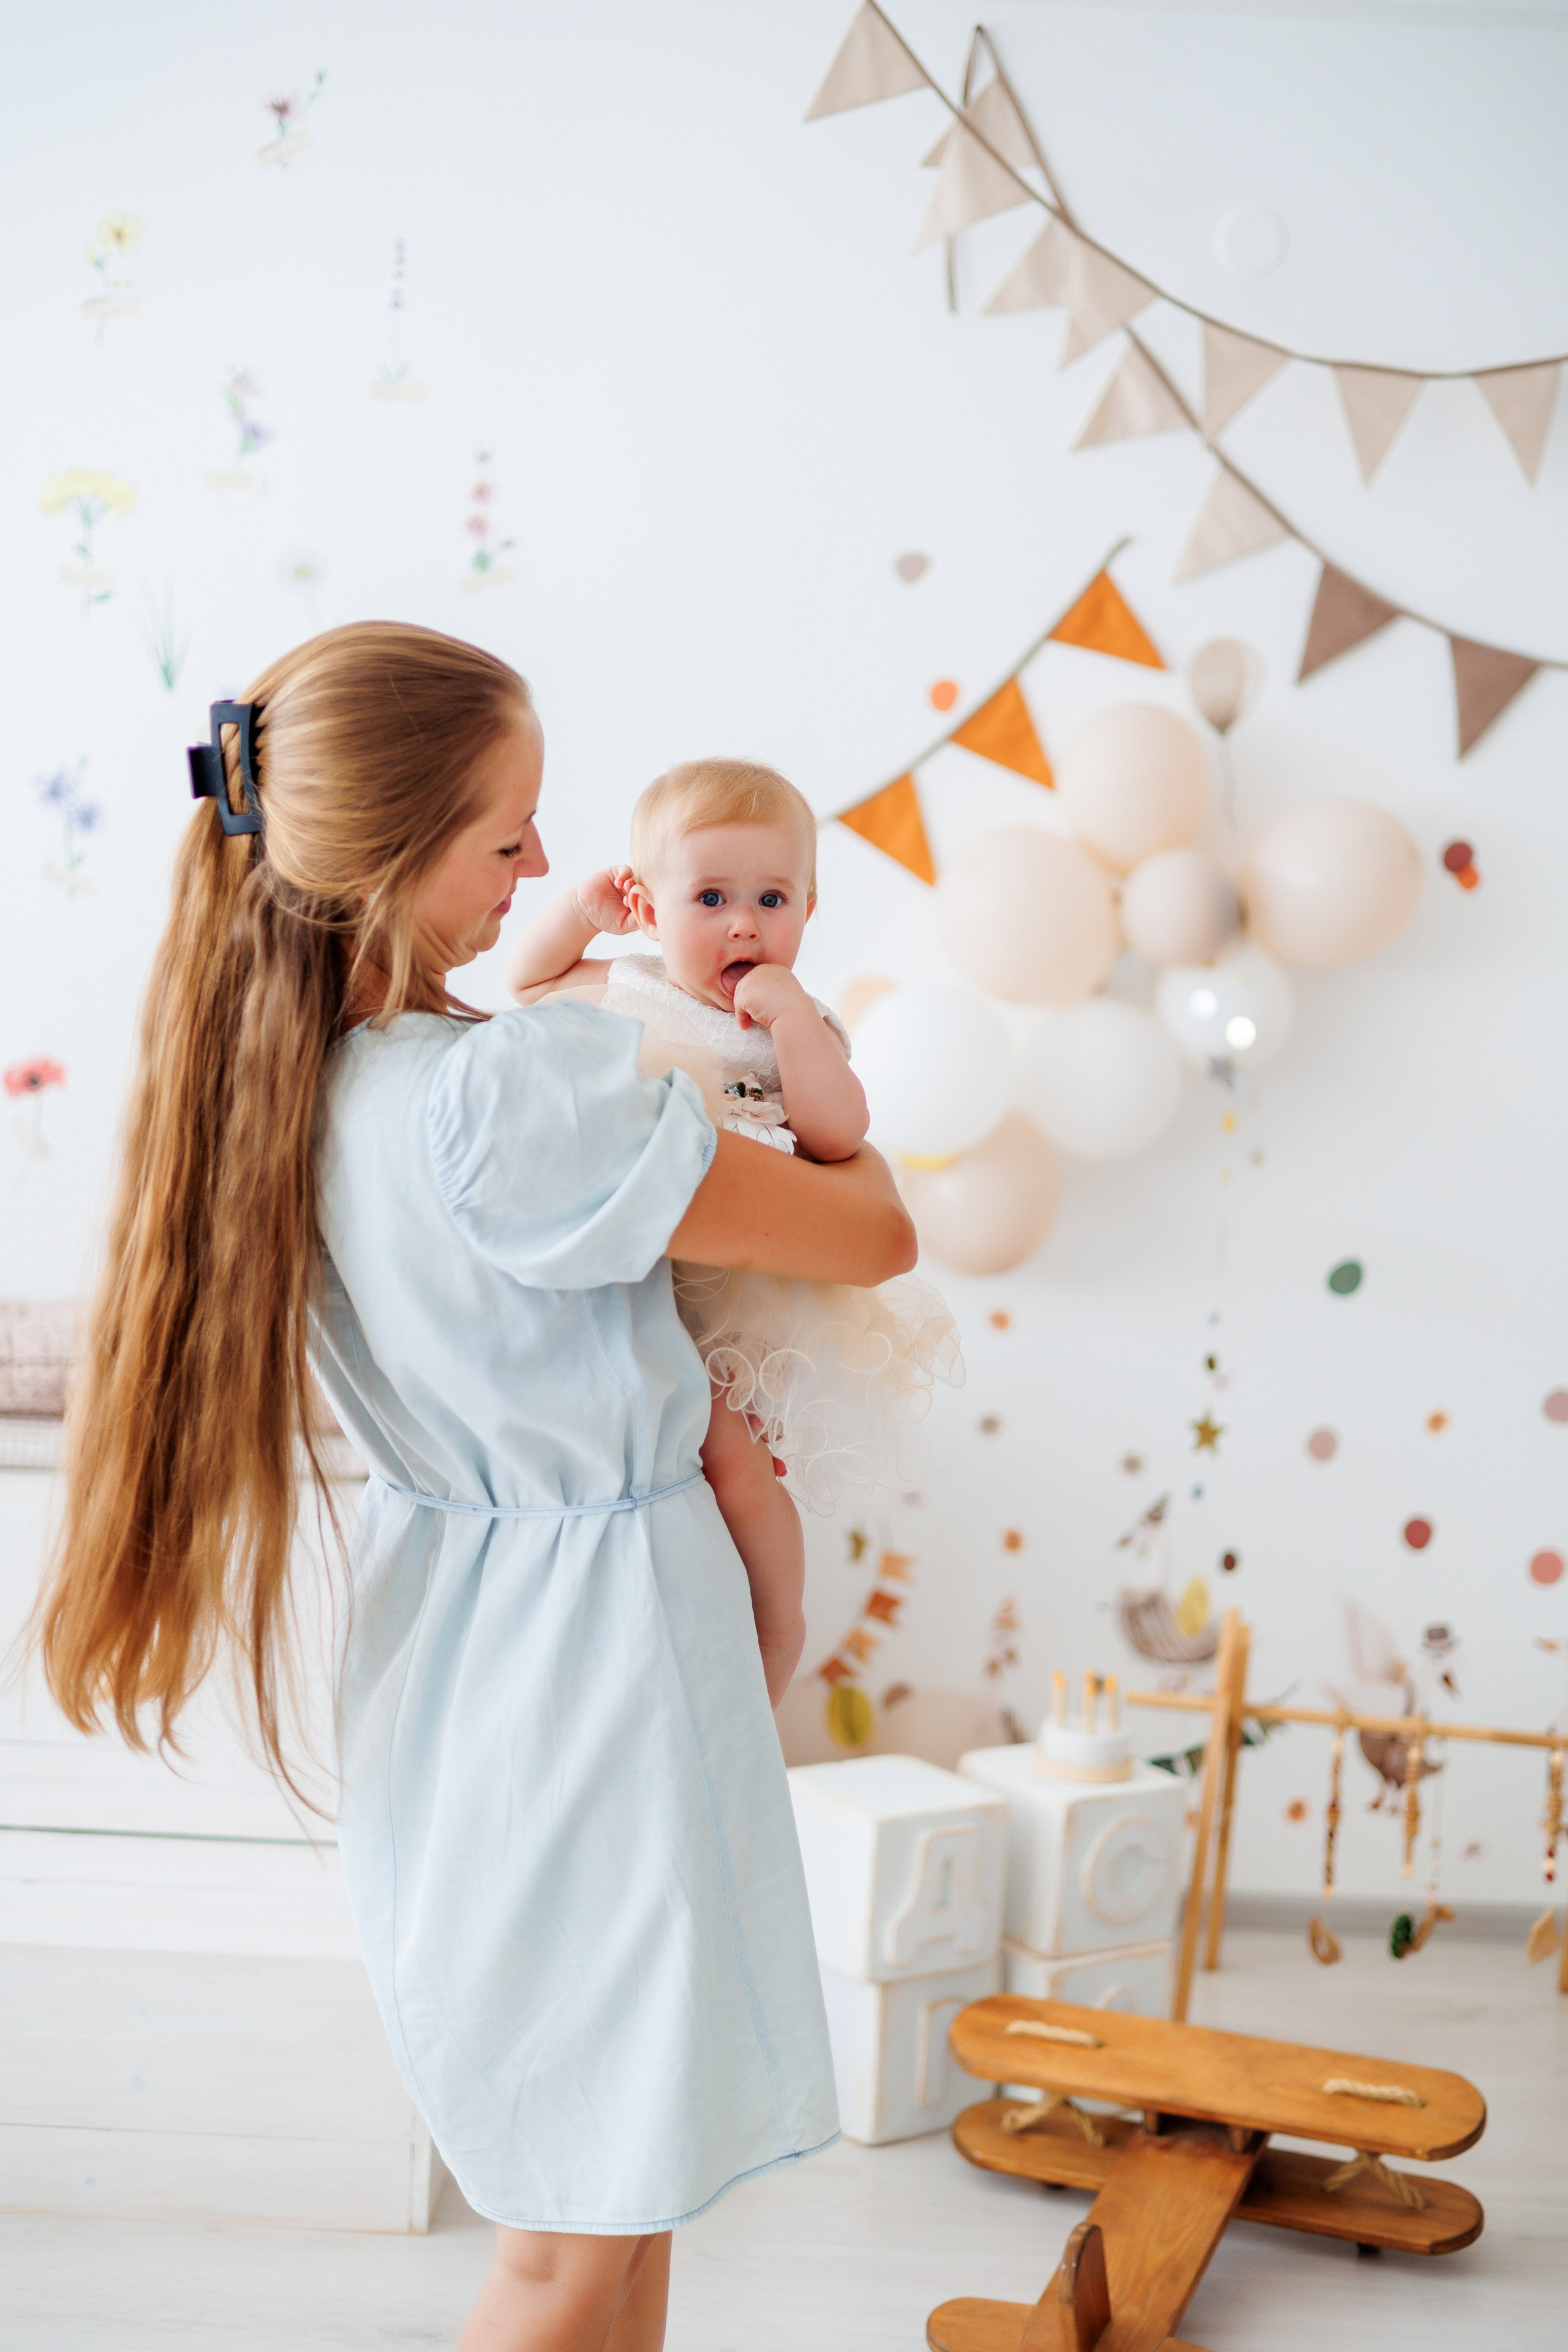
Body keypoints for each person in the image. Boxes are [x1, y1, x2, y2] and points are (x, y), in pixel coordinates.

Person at [35, 623, 917, 2352]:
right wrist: (807, 1060)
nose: (542, 866)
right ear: (395, 857)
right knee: (572, 2237)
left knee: (618, 2185)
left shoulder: (310, 1090)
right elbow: (874, 1230)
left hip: (467, 1642)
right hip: (600, 1660)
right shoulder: (514, 1099)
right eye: (506, 834)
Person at [505, 760, 959, 1706]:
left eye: (772, 898)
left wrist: (793, 1027)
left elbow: (838, 1136)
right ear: (650, 908)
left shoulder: (802, 1021)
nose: (745, 923)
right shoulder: (624, 982)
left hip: (733, 1306)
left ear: (808, 908)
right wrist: (583, 913)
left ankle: (780, 1621)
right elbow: (527, 979)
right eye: (710, 897)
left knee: (739, 1470)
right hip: (625, 1286)